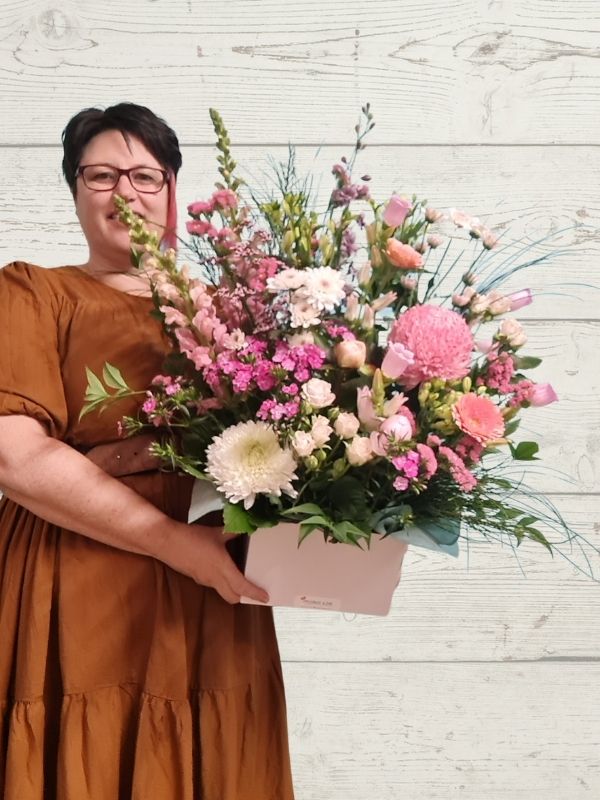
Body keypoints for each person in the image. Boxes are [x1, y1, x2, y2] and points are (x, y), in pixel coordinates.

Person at [0, 102, 295, 800]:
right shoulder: (34, 293)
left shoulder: (237, 313)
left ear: (172, 192)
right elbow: (13, 456)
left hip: (214, 588)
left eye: (144, 175)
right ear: (75, 190)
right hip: (78, 587)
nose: (123, 192)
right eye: (100, 175)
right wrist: (170, 541)